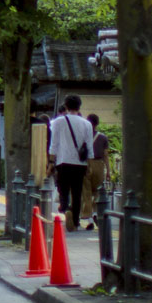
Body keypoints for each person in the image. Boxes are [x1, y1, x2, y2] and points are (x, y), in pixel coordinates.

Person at [48, 95, 94, 228]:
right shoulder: (87, 124)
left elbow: (54, 144)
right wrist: (89, 165)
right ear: (79, 106)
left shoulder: (58, 122)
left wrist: (51, 162)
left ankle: (65, 209)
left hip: (63, 162)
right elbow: (89, 147)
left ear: (66, 106)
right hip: (80, 164)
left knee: (63, 189)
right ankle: (75, 220)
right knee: (77, 192)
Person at [83, 113, 110, 228]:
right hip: (99, 164)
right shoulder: (103, 137)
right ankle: (95, 212)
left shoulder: (84, 136)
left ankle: (88, 218)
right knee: (98, 191)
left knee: (86, 192)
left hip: (86, 164)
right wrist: (108, 171)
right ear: (97, 123)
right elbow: (106, 155)